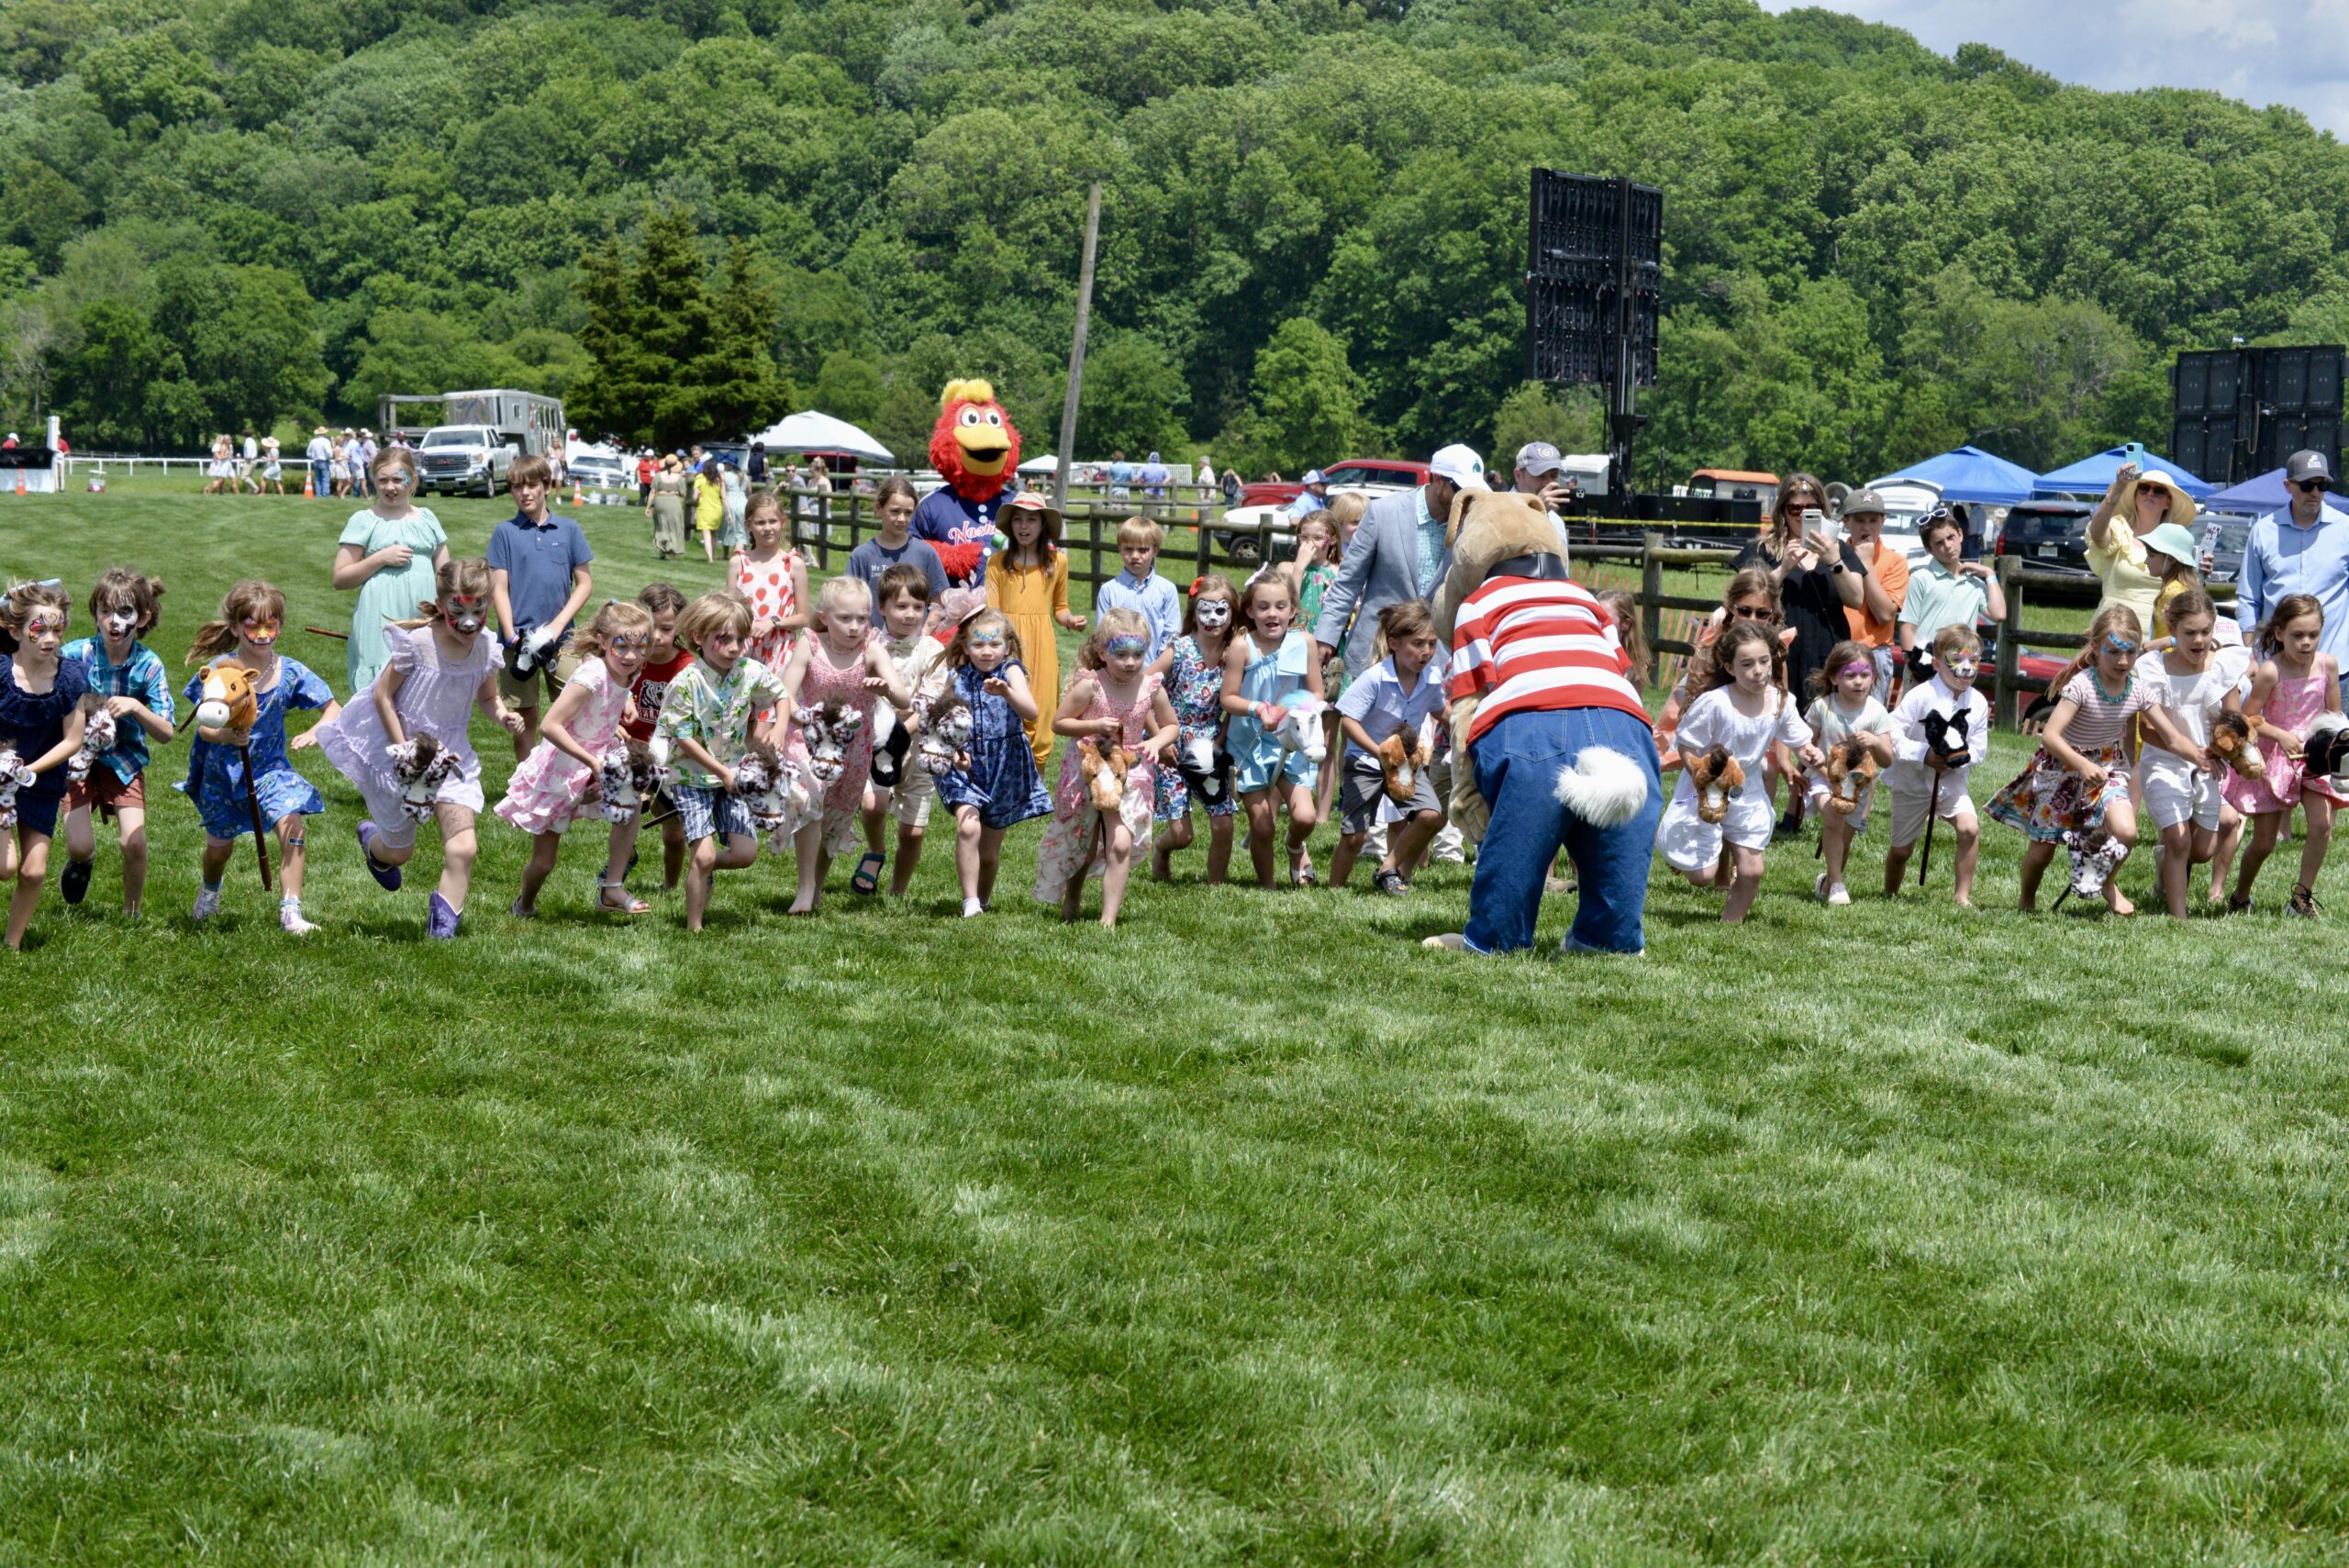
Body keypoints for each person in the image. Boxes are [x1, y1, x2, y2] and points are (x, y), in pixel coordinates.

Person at [321, 558, 520, 939]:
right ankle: (374, 846)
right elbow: (382, 695)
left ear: (489, 606)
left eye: (478, 611)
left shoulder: (485, 648)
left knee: (464, 848)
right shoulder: (418, 644)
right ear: (442, 605)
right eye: (458, 612)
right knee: (399, 852)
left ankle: (443, 925)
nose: (469, 622)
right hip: (404, 755)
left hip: (452, 758)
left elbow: (488, 698)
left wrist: (503, 716)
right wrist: (404, 751)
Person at [1987, 605, 2191, 915]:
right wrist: (2081, 764)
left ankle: (2105, 881)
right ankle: (2027, 899)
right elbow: (2050, 736)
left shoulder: (2138, 691)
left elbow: (2172, 737)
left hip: (2106, 768)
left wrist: (2202, 756)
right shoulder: (2082, 686)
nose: (2123, 661)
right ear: (2096, 648)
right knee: (2042, 854)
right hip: (2062, 768)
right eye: (2114, 652)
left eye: (2131, 652)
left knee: (2126, 832)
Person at [180, 581, 340, 933]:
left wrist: (316, 731)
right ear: (236, 627)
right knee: (219, 852)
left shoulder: (290, 672)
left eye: (271, 625)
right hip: (223, 774)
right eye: (253, 625)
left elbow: (333, 708)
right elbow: (204, 728)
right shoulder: (221, 670)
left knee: (293, 827)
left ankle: (291, 912)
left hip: (270, 770)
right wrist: (226, 735)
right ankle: (210, 890)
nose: (263, 634)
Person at [1652, 620, 1823, 924]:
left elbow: (1799, 740)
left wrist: (1810, 752)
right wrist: (1701, 775)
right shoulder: (1715, 703)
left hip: (1749, 789)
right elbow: (1687, 746)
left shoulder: (1779, 700)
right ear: (1730, 668)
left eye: (1764, 661)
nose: (1758, 670)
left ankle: (1730, 924)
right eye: (1747, 664)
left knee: (1752, 870)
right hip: (1708, 788)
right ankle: (1671, 843)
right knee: (1702, 877)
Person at [495, 600, 653, 919]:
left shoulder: (629, 670)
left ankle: (611, 887)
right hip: (564, 768)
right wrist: (591, 761)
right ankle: (524, 904)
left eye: (640, 647)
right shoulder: (591, 676)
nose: (631, 655)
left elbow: (609, 696)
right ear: (602, 640)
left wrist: (623, 706)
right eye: (622, 646)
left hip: (600, 760)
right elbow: (550, 726)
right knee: (544, 862)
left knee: (632, 801)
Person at [1730, 472, 1862, 833]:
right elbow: (1744, 595)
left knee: (1814, 729)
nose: (1802, 515)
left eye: (1811, 508)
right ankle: (1757, 812)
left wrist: (1834, 559)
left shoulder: (1838, 548)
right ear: (1782, 511)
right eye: (1794, 508)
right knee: (1773, 726)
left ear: (1823, 509)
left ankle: (1796, 810)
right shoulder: (1763, 549)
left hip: (1827, 647)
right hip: (1776, 649)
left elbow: (1856, 598)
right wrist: (1784, 567)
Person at [1033, 609, 1178, 926]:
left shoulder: (1150, 686)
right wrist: (1095, 724)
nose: (1130, 662)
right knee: (1084, 845)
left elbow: (1171, 726)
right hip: (1088, 769)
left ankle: (1107, 920)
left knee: (1121, 843)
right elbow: (1059, 723)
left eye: (1138, 654)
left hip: (1129, 773)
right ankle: (1073, 896)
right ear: (1102, 652)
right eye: (1121, 654)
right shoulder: (1091, 686)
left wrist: (1156, 742)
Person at [655, 591, 790, 932]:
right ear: (699, 637)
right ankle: (694, 928)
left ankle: (706, 868)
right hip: (692, 778)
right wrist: (721, 771)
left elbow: (781, 694)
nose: (735, 648)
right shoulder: (686, 682)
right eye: (724, 639)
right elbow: (681, 736)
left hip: (732, 777)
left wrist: (779, 729)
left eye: (741, 640)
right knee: (702, 854)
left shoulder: (748, 670)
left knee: (746, 854)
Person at [776, 575, 911, 914]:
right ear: (824, 617)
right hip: (810, 741)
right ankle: (805, 887)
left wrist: (886, 690)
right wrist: (801, 718)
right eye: (845, 618)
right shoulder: (810, 643)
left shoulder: (872, 648)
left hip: (853, 749)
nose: (855, 627)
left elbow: (904, 698)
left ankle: (817, 887)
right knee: (808, 800)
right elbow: (785, 694)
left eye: (862, 618)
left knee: (832, 820)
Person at [57, 569, 175, 917]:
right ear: (95, 614)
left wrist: (136, 707)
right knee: (79, 845)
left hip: (124, 760)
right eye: (105, 611)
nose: (113, 621)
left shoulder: (149, 666)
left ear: (143, 618)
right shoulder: (75, 654)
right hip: (76, 758)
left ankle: (131, 912)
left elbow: (166, 732)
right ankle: (82, 861)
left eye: (124, 612)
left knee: (133, 842)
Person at [1313, 444, 1486, 678]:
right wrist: (1326, 637)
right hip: (1373, 655)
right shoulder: (1382, 512)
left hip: (1434, 666)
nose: (1465, 498)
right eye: (1460, 489)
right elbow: (1348, 583)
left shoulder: (1472, 527)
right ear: (1438, 480)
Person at [2224, 593, 2342, 917]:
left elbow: (2334, 714)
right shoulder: (2270, 671)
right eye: (2297, 635)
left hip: (2314, 759)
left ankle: (2302, 898)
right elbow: (2248, 718)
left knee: (2321, 826)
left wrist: (2332, 743)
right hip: (2276, 758)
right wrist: (2279, 734)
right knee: (2264, 843)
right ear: (2279, 633)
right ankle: (2241, 895)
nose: (2306, 642)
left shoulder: (2327, 665)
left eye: (2313, 635)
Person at [932, 606, 1051, 917]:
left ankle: (983, 900)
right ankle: (970, 901)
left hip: (1003, 766)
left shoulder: (1011, 671)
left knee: (988, 853)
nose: (987, 651)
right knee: (968, 827)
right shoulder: (956, 677)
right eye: (979, 644)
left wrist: (1007, 692)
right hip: (965, 765)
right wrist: (955, 753)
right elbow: (941, 722)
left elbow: (1031, 712)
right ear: (965, 646)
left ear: (1007, 646)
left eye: (995, 644)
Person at [2139, 588, 2250, 919]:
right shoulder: (2154, 669)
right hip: (2164, 762)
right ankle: (2180, 917)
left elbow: (2233, 723)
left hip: (2208, 766)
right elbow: (2148, 730)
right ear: (2173, 631)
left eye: (2206, 631)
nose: (2199, 640)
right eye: (2190, 633)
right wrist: (2192, 754)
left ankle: (2166, 861)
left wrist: (2233, 750)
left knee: (2202, 850)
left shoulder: (2224, 667)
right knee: (2178, 839)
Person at [1330, 600, 1448, 893]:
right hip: (1365, 762)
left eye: (1432, 643)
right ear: (1394, 643)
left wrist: (1466, 725)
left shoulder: (1432, 679)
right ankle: (1334, 891)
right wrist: (1381, 753)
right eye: (1417, 643)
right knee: (1355, 837)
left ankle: (1389, 869)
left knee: (1430, 814)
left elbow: (1439, 710)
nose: (1426, 651)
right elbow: (1349, 722)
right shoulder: (1375, 678)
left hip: (1404, 764)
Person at [0, 582, 89, 950]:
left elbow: (73, 739)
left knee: (34, 871)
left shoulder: (70, 678)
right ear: (15, 631)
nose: (50, 638)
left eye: (58, 628)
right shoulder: (2, 672)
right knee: (4, 867)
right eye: (39, 629)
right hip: (0, 781)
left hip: (41, 782)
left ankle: (11, 946)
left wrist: (30, 770)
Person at [487, 455, 594, 762]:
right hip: (518, 642)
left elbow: (584, 584)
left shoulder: (568, 529)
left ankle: (573, 776)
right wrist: (511, 635)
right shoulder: (504, 532)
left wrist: (556, 628)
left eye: (532, 485)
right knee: (525, 716)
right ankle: (527, 779)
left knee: (574, 710)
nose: (525, 493)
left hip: (563, 641)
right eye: (517, 487)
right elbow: (499, 588)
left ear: (547, 486)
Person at [1222, 569, 1324, 887]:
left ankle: (1295, 846)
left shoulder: (1303, 642)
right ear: (1250, 611)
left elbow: (1317, 692)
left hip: (1290, 742)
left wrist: (1289, 709)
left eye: (1281, 606)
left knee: (1305, 817)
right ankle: (1268, 886)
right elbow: (1228, 698)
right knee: (1263, 825)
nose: (1272, 614)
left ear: (1293, 609)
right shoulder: (1242, 646)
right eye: (1263, 607)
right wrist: (1258, 708)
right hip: (1250, 745)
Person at [1882, 625, 1990, 906]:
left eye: (1974, 660)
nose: (1966, 668)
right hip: (1913, 782)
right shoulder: (1920, 695)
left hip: (1952, 783)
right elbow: (1891, 732)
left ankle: (1962, 896)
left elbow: (1979, 747)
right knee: (1902, 851)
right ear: (1936, 663)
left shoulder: (1978, 702)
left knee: (1969, 828)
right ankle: (1890, 893)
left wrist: (1959, 757)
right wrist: (1924, 754)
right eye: (1957, 659)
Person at [861, 565, 952, 897]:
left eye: (918, 606)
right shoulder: (868, 645)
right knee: (873, 805)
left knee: (912, 833)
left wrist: (899, 733)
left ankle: (897, 892)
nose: (910, 614)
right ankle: (875, 849)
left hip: (919, 746)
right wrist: (883, 740)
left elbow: (929, 701)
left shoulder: (932, 651)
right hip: (876, 746)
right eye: (901, 606)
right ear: (882, 607)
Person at [330, 445, 448, 696]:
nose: (390, 487)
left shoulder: (427, 518)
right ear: (374, 481)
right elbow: (340, 578)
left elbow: (446, 573)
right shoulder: (365, 520)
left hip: (423, 616)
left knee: (422, 687)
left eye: (397, 479)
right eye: (382, 480)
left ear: (412, 480)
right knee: (380, 688)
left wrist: (448, 610)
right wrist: (380, 558)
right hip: (379, 618)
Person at [1148, 576, 1240, 884]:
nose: (1212, 619)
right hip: (1172, 747)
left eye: (1221, 611)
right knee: (1181, 835)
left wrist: (1222, 738)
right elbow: (1143, 689)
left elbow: (1235, 703)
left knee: (1224, 824)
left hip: (1209, 747)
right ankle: (1161, 848)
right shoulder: (1180, 649)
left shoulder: (1234, 655)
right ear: (1193, 612)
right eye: (1205, 610)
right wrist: (1159, 738)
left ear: (1232, 614)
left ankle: (1216, 886)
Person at [2236, 450, 2349, 697]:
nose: (2315, 493)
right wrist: (2251, 651)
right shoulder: (2263, 531)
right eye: (2307, 485)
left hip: (2335, 670)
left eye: (2322, 485)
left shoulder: (2345, 529)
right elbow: (2248, 598)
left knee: (2336, 725)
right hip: (2276, 671)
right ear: (2288, 486)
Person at [985, 491, 1085, 771]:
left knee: (1040, 712)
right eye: (1018, 519)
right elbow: (992, 612)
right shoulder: (996, 563)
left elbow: (1060, 607)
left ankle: (1035, 784)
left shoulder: (1058, 562)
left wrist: (1070, 620)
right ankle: (1003, 779)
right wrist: (999, 646)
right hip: (1007, 644)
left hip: (1042, 646)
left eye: (1031, 519)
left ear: (1042, 525)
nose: (1024, 526)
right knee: (1005, 707)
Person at [1801, 639, 1892, 906]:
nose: (1858, 681)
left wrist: (1875, 742)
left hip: (1856, 786)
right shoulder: (1822, 707)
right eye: (1850, 675)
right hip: (1822, 777)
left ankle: (1828, 882)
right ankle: (1839, 885)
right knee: (1833, 819)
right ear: (1834, 678)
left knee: (1845, 837)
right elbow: (1806, 744)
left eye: (1865, 675)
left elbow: (1887, 760)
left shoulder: (1876, 712)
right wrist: (1818, 767)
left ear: (1874, 677)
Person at [622, 583, 692, 895]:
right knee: (625, 813)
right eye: (653, 628)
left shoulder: (687, 668)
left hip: (671, 760)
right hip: (631, 753)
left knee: (674, 834)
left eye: (666, 628)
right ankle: (623, 859)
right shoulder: (631, 658)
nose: (659, 637)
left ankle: (670, 886)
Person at [1898, 508, 2004, 677]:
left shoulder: (1974, 583)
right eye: (1939, 543)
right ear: (1929, 549)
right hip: (1924, 666)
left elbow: (1999, 614)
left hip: (1960, 669)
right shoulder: (1921, 578)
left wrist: (1990, 574)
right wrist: (1914, 665)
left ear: (1960, 535)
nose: (1947, 546)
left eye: (1950, 537)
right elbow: (1908, 626)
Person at [2087, 462, 2194, 629]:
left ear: (2168, 503)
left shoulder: (2175, 544)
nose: (2150, 493)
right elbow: (2097, 534)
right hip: (2112, 632)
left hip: (2156, 635)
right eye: (2144, 488)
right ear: (2135, 496)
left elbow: (2187, 588)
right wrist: (2118, 489)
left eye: (2159, 491)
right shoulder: (2119, 529)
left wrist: (2202, 573)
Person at [1835, 489, 1908, 703]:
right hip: (1837, 650)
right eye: (1859, 520)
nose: (1867, 528)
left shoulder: (1895, 561)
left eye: (1873, 520)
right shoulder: (1834, 556)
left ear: (1883, 521)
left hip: (1873, 652)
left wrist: (1866, 563)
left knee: (1871, 720)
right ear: (1846, 521)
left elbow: (1884, 614)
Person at [844, 477, 947, 621]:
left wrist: (925, 631)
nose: (902, 519)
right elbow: (849, 602)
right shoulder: (861, 556)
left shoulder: (926, 553)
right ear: (878, 509)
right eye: (895, 511)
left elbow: (939, 600)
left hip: (916, 635)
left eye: (908, 512)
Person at [730, 489, 810, 675]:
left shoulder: (793, 564)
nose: (767, 527)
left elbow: (804, 617)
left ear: (783, 523)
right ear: (748, 525)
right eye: (760, 522)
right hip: (744, 649)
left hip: (780, 653)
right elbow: (729, 612)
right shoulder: (738, 564)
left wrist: (773, 622)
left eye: (773, 521)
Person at [1093, 518, 1180, 661]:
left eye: (1142, 550)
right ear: (1120, 549)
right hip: (1118, 669)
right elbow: (1102, 636)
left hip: (1157, 668)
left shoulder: (1167, 590)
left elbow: (1172, 637)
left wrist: (1156, 669)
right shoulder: (1108, 590)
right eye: (1128, 549)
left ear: (1155, 550)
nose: (1134, 556)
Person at [648, 455, 689, 558]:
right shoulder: (679, 478)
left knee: (661, 525)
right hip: (674, 501)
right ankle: (672, 553)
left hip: (661, 501)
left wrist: (648, 507)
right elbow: (683, 494)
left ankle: (662, 550)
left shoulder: (658, 476)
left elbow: (652, 492)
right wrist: (676, 492)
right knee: (674, 526)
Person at [694, 455, 726, 562]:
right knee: (713, 534)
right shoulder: (719, 480)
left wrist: (698, 496)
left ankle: (710, 558)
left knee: (706, 534)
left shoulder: (699, 478)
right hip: (717, 509)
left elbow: (694, 497)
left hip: (704, 509)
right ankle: (713, 555)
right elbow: (723, 496)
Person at [305, 426, 332, 495]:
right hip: (324, 461)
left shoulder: (313, 441)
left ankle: (318, 493)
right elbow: (329, 452)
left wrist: (313, 456)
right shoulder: (326, 441)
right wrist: (329, 457)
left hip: (316, 461)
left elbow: (308, 453)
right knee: (325, 479)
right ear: (324, 433)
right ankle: (325, 493)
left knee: (317, 479)